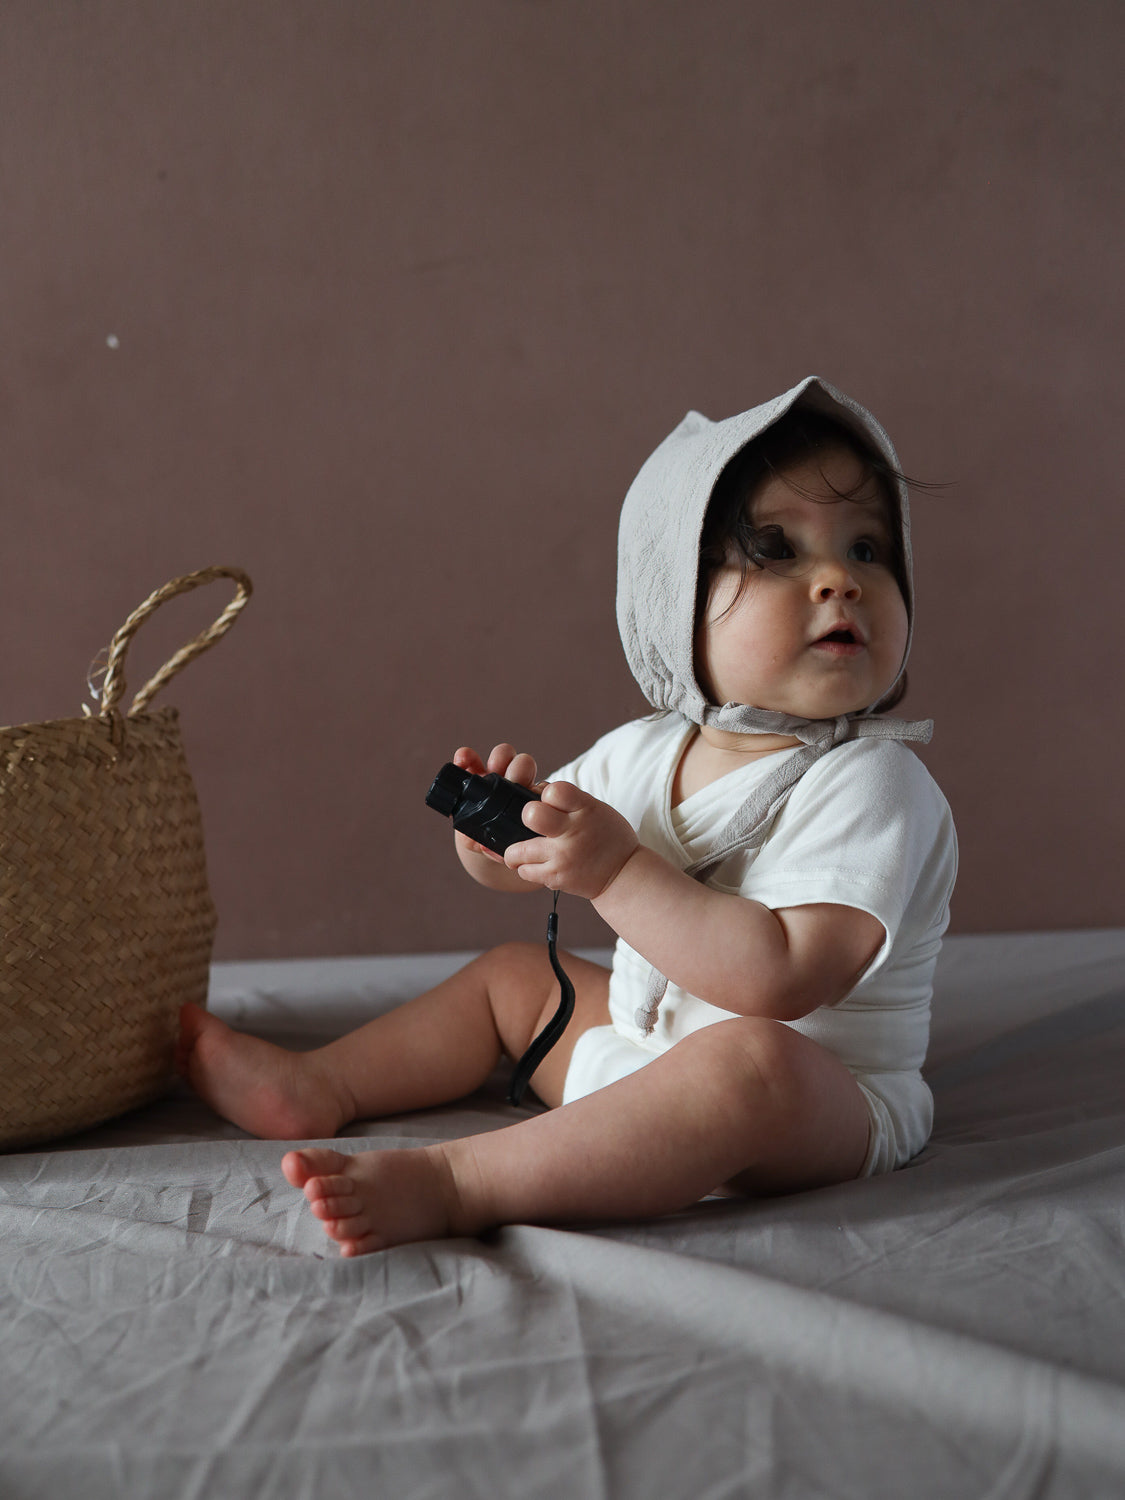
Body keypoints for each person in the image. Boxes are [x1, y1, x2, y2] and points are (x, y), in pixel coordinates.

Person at [178, 376, 957, 1257]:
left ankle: (459, 1180)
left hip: (818, 1107)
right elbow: (542, 860)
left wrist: (618, 872)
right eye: (776, 550)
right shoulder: (645, 749)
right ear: (673, 607)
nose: (837, 584)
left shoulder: (871, 781)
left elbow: (779, 983)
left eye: (866, 550)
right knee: (512, 980)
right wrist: (494, 838)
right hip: (638, 1046)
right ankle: (320, 1084)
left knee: (750, 1060)